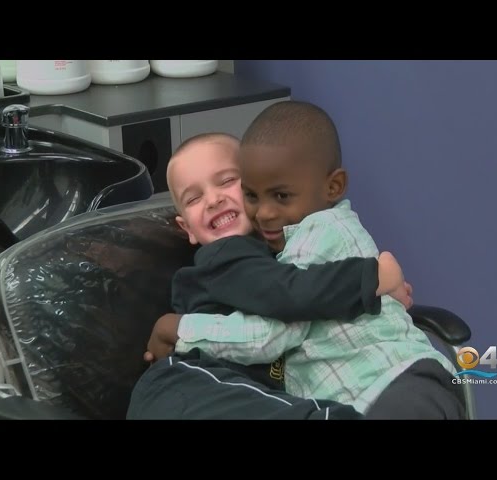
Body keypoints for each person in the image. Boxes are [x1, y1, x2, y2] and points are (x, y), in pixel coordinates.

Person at [129, 101, 464, 419]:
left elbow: (293, 299)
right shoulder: (224, 255)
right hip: (222, 376)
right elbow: (290, 295)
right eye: (195, 197)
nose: (215, 199)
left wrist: (372, 285)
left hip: (386, 384)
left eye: (230, 182)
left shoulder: (305, 236)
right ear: (185, 227)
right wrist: (370, 280)